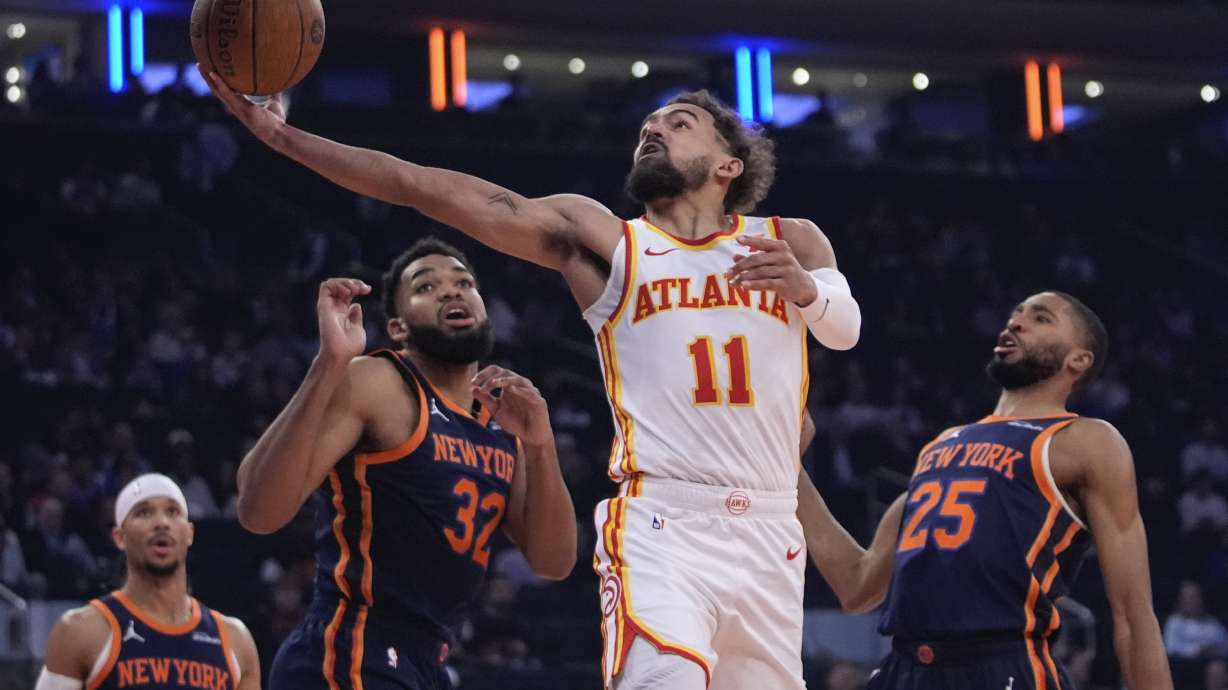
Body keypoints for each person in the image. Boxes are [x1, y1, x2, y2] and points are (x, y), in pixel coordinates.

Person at [205, 69, 861, 689]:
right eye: (648, 126)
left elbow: (846, 328)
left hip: (771, 533)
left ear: (728, 164)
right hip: (666, 524)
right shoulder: (608, 243)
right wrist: (285, 138)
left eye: (680, 122)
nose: (653, 130)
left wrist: (805, 291)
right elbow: (419, 184)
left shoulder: (791, 241)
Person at [236, 238, 577, 690]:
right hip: (352, 646)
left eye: (463, 282)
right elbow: (258, 510)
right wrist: (330, 365)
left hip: (425, 662)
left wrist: (540, 444)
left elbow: (554, 561)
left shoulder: (502, 423)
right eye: (427, 286)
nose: (452, 291)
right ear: (398, 327)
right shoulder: (379, 382)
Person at [796, 291, 1172, 689]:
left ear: (1077, 360)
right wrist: (789, 466)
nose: (1016, 323)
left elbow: (1133, 615)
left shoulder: (1085, 440)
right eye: (1015, 315)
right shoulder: (943, 444)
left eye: (1040, 318)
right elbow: (857, 586)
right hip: (904, 668)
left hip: (1002, 665)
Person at [37, 474, 260, 689]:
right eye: (144, 513)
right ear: (120, 537)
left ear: (189, 533)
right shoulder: (80, 631)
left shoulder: (235, 640)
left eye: (173, 512)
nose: (161, 523)